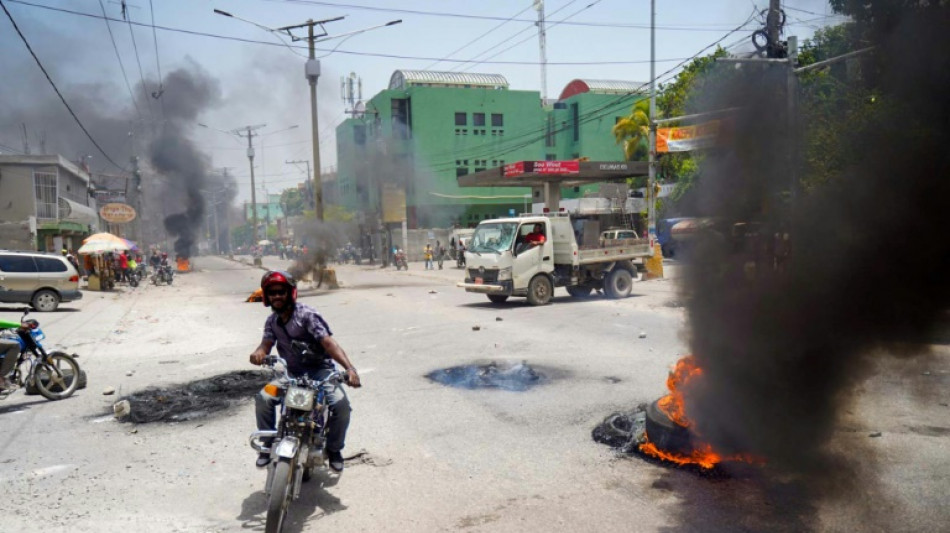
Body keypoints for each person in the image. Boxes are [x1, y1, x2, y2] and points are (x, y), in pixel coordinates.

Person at [249, 271, 361, 472]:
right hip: (290, 374)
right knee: (263, 398)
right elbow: (266, 343)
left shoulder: (307, 315)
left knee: (341, 405)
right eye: (272, 293)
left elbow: (328, 343)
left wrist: (349, 369)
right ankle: (266, 446)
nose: (277, 296)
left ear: (290, 293)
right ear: (266, 296)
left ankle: (334, 449)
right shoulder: (272, 321)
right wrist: (258, 353)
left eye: (281, 292)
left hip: (320, 372)